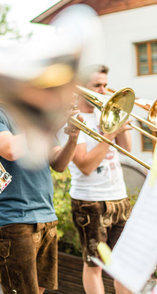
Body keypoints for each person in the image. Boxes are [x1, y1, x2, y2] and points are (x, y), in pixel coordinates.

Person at [0, 100, 81, 294]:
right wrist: (52, 122)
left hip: (46, 217)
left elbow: (58, 163)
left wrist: (73, 138)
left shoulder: (35, 116)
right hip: (13, 220)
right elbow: (11, 150)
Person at [57, 64, 132, 294]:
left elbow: (126, 150)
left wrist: (122, 123)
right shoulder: (71, 120)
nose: (104, 90)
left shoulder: (104, 111)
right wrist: (110, 134)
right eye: (97, 85)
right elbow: (86, 165)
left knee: (125, 267)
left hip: (119, 197)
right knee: (94, 266)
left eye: (105, 85)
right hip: (90, 203)